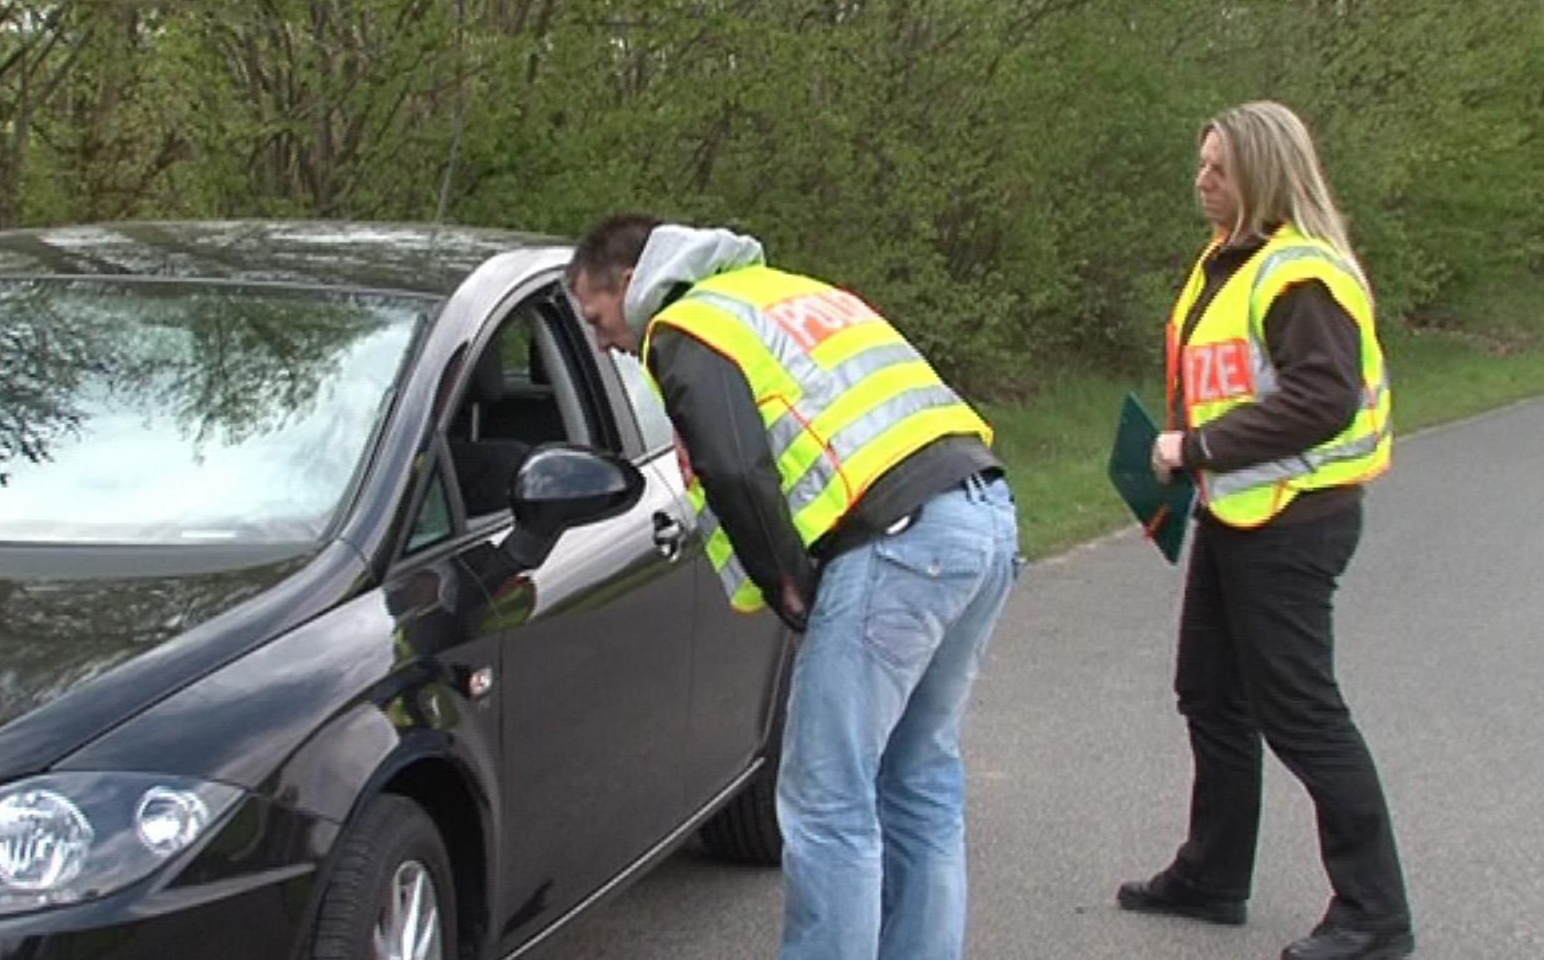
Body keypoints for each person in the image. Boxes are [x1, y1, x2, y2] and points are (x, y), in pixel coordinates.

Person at [567, 216, 1019, 960]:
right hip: (984, 516)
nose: (604, 341)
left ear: (628, 281)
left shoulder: (685, 325)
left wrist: (786, 584)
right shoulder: (780, 292)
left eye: (596, 317)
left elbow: (733, 464)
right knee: (919, 779)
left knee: (827, 798)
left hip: (897, 541)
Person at [1123, 100, 1412, 960]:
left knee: (1301, 712)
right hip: (1234, 509)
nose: (1202, 181)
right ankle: (1212, 875)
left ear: (1264, 172)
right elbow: (1224, 381)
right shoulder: (1226, 260)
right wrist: (1172, 467)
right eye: (1201, 164)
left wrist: (1196, 447)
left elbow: (1321, 400)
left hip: (1294, 518)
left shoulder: (1300, 272)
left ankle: (1374, 914)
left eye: (1219, 168)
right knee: (1209, 692)